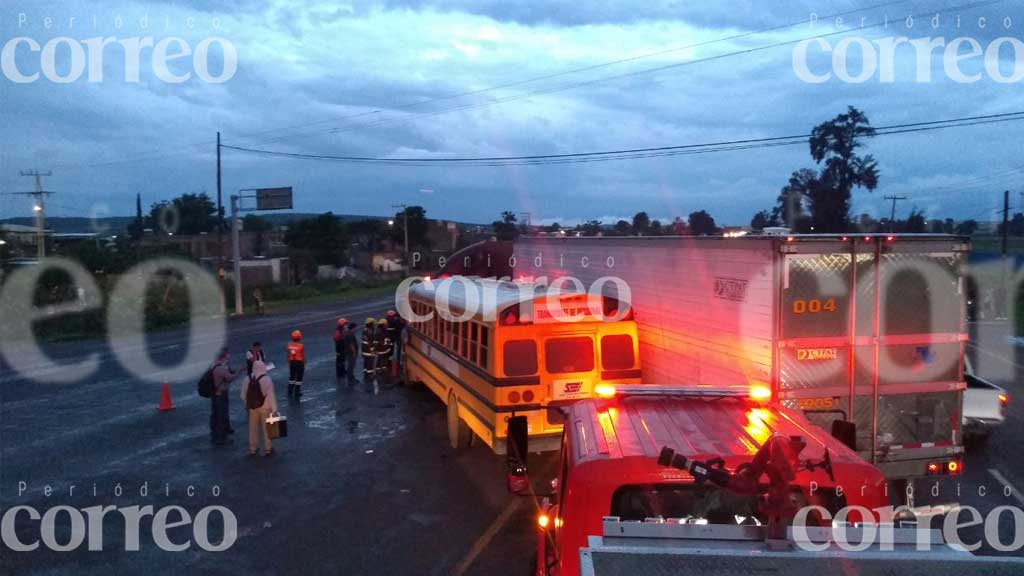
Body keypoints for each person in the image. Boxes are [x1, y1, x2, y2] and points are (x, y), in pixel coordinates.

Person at [241, 360, 278, 456]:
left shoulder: (247, 379)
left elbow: (243, 395)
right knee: (266, 428)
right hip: (265, 408)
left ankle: (253, 448)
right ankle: (268, 449)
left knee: (253, 428)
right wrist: (274, 410)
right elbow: (271, 396)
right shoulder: (267, 379)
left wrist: (248, 404)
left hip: (252, 408)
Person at [210, 348, 241, 446]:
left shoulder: (214, 365)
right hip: (220, 393)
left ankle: (216, 432)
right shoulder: (220, 368)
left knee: (215, 414)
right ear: (223, 357)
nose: (228, 357)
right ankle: (221, 437)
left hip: (214, 393)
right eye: (227, 355)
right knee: (221, 415)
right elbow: (230, 378)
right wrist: (239, 372)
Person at [287, 330, 306, 398]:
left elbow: (288, 355)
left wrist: (289, 362)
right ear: (299, 337)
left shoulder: (289, 345)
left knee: (292, 377)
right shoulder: (301, 346)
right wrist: (304, 363)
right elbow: (303, 355)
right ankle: (297, 392)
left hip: (292, 362)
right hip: (299, 363)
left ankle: (290, 390)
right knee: (299, 378)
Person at [375, 318, 391, 383]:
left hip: (385, 348)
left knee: (385, 357)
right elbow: (377, 341)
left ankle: (384, 367)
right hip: (380, 348)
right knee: (380, 358)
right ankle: (378, 369)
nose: (387, 325)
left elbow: (387, 338)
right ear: (383, 325)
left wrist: (388, 345)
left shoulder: (385, 330)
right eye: (386, 324)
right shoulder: (379, 331)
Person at [333, 318, 348, 383]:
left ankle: (343, 371)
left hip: (342, 349)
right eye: (345, 324)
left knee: (342, 360)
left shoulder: (341, 331)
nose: (346, 326)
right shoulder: (338, 332)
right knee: (340, 361)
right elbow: (338, 340)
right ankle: (340, 373)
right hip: (340, 349)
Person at [362, 318, 377, 383]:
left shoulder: (365, 330)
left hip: (364, 349)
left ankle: (366, 374)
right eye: (373, 323)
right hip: (369, 351)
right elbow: (370, 342)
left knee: (365, 363)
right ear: (370, 324)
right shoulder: (370, 331)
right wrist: (372, 350)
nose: (374, 325)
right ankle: (370, 375)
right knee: (369, 363)